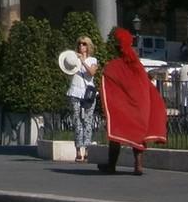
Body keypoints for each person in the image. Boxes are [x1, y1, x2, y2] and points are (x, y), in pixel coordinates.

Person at [98, 27, 168, 175]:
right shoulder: (137, 66)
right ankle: (138, 165)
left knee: (116, 130)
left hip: (126, 106)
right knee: (139, 133)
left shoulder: (114, 66)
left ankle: (112, 165)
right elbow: (146, 86)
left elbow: (109, 82)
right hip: (141, 105)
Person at [65, 35, 99, 161]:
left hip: (88, 94)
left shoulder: (93, 60)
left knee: (88, 122)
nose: (81, 46)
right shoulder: (74, 59)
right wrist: (75, 59)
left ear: (88, 46)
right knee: (77, 121)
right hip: (75, 91)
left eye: (84, 44)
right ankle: (79, 150)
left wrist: (83, 61)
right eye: (79, 44)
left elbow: (92, 73)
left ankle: (88, 149)